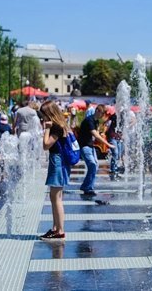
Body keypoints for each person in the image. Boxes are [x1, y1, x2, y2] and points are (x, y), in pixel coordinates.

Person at [39, 101, 73, 239]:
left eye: (44, 115)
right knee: (54, 197)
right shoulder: (60, 125)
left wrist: (46, 129)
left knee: (56, 197)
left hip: (58, 161)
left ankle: (60, 231)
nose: (43, 118)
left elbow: (46, 145)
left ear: (50, 113)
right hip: (58, 161)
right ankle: (55, 228)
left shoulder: (57, 127)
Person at [78, 104, 113, 196]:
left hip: (90, 146)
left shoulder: (96, 121)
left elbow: (97, 134)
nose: (103, 115)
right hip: (84, 146)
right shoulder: (89, 120)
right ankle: (87, 187)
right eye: (103, 113)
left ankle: (87, 186)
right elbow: (95, 135)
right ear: (97, 111)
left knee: (95, 166)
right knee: (92, 165)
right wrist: (108, 144)